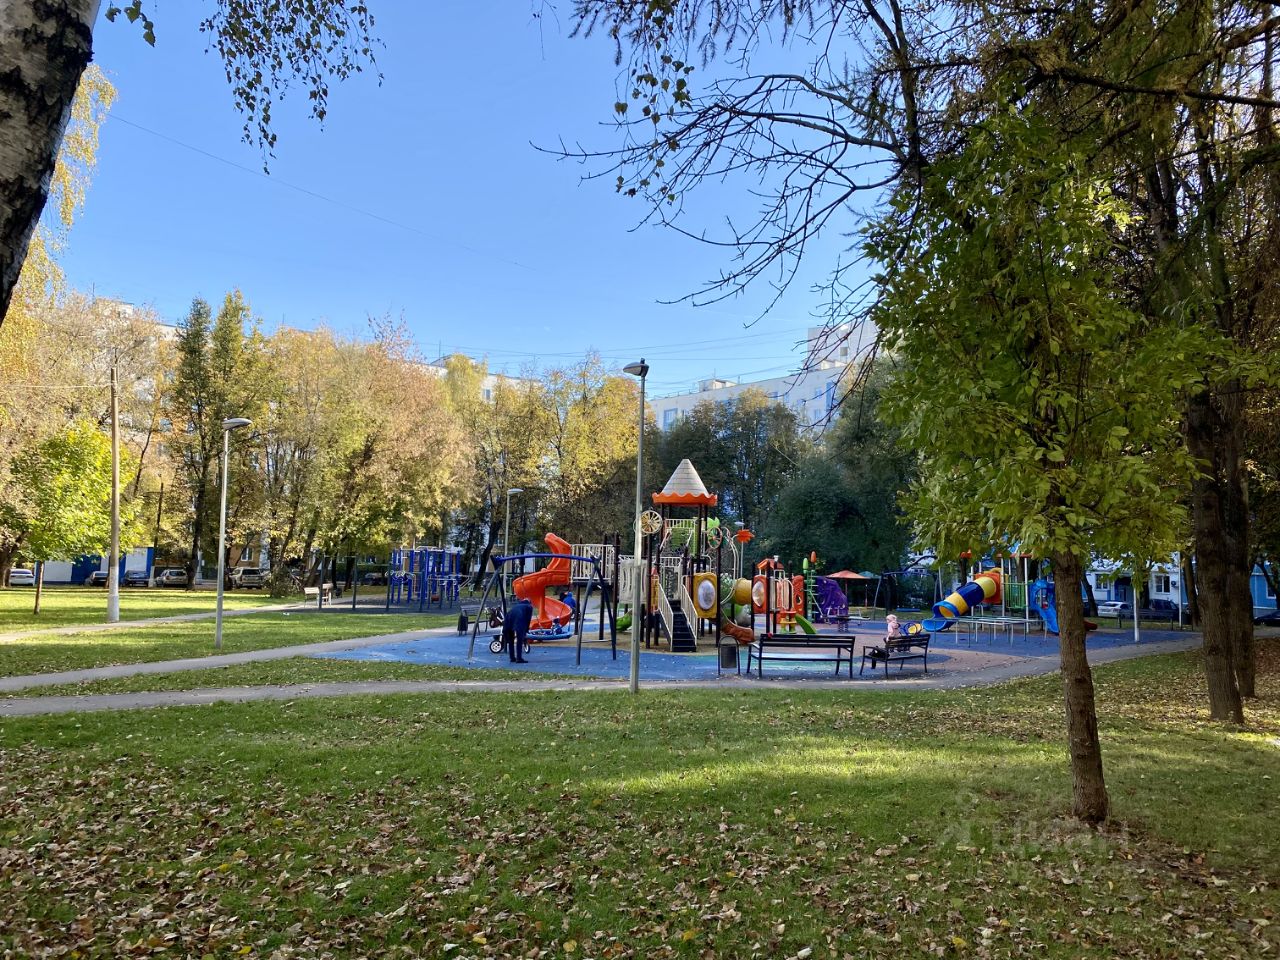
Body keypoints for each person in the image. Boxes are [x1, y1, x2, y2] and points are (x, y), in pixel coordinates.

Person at [506, 597, 535, 663]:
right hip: (519, 620)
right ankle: (519, 658)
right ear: (530, 602)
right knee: (520, 639)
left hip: (508, 620)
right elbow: (528, 619)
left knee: (511, 640)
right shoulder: (529, 606)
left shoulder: (516, 605)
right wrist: (526, 629)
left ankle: (512, 657)